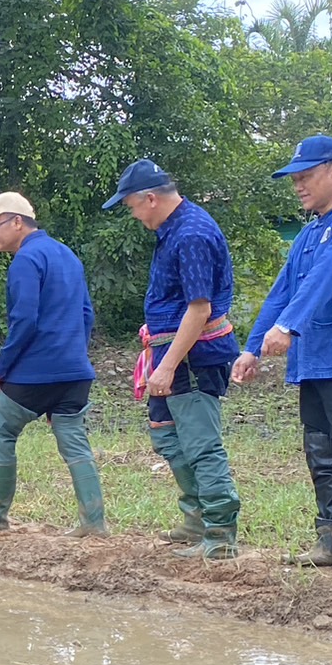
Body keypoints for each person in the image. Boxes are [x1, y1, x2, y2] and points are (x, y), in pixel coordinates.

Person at [232, 135, 332, 584]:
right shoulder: (307, 233)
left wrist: (289, 327)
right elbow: (283, 291)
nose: (298, 186)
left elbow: (328, 277)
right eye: (295, 179)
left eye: (305, 176)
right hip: (315, 358)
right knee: (321, 452)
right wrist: (252, 347)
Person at [103, 159, 242, 560]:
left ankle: (219, 534)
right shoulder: (173, 230)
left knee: (200, 444)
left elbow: (199, 309)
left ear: (150, 198)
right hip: (171, 353)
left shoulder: (192, 233)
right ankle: (196, 518)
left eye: (130, 205)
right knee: (167, 435)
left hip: (193, 359)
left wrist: (166, 366)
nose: (131, 214)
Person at [0, 192, 105, 536]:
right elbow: (86, 314)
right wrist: (74, 354)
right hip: (75, 372)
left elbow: (24, 320)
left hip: (36, 373)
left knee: (0, 429)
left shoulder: (26, 259)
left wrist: (2, 367)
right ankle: (94, 523)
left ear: (17, 222)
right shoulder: (67, 255)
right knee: (73, 440)